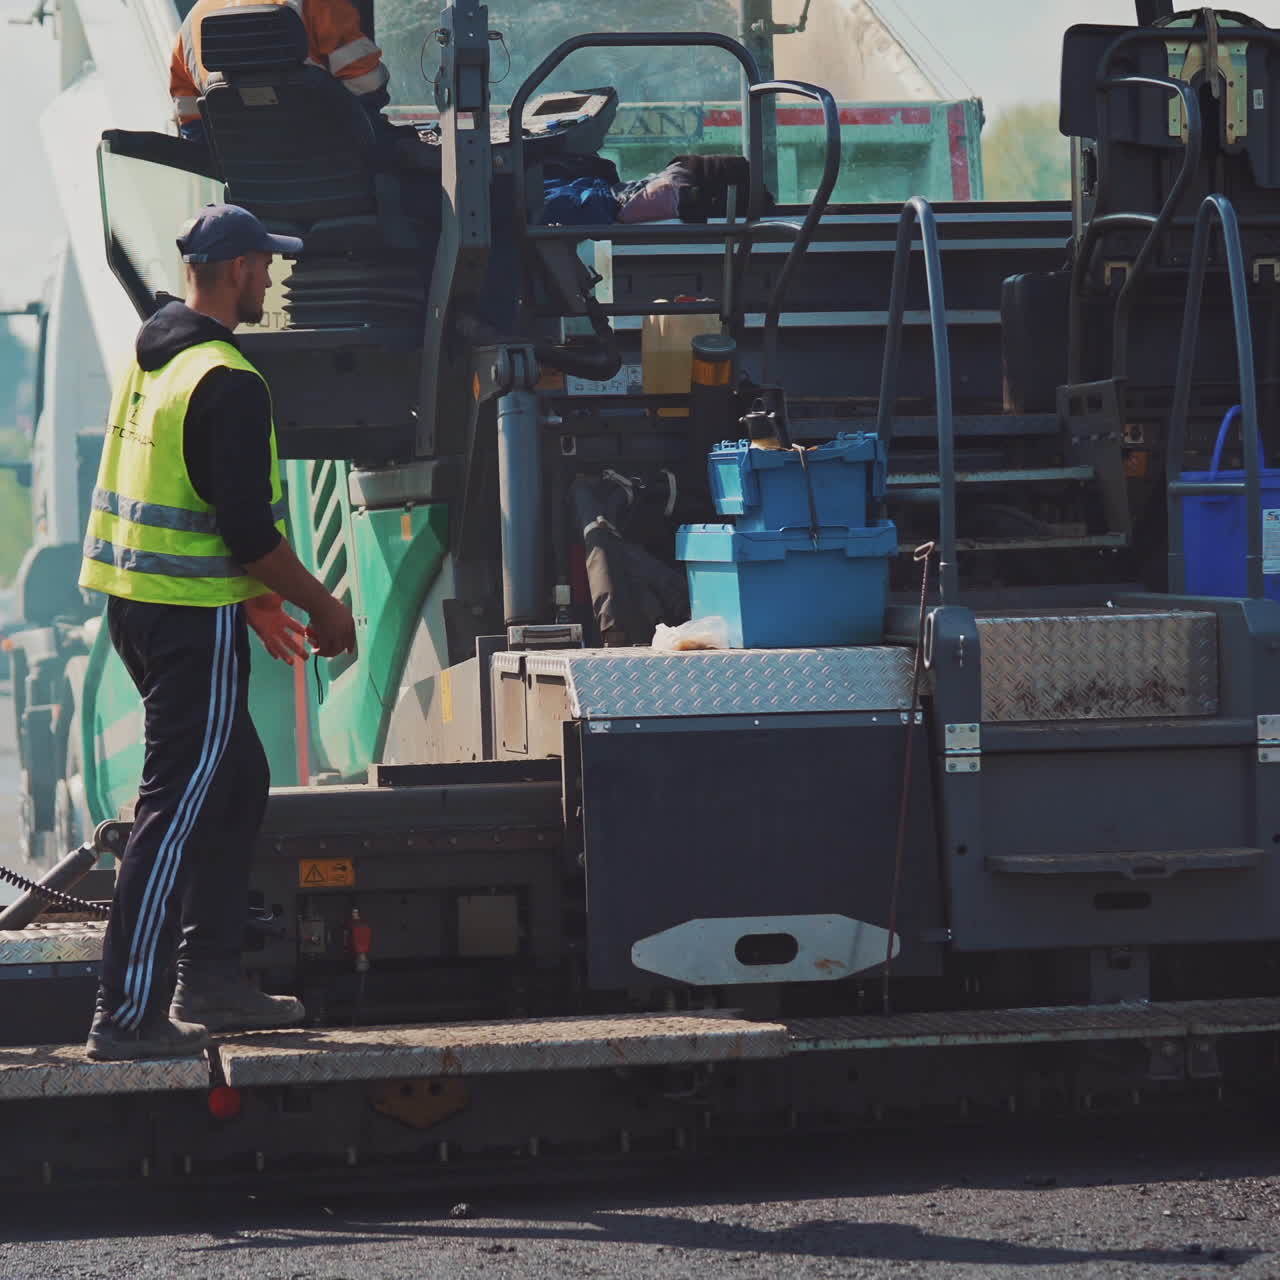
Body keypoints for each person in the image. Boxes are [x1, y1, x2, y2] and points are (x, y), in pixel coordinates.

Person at [80, 203, 357, 1062]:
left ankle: (213, 979)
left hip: (144, 606)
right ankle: (127, 1016)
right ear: (236, 268)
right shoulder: (226, 379)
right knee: (177, 805)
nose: (270, 281)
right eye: (264, 265)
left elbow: (182, 510)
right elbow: (244, 529)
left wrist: (252, 600)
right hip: (186, 625)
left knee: (236, 780)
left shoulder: (154, 355)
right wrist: (321, 601)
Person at [170, 0, 390, 141]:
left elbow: (192, 122)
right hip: (341, 180)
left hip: (251, 195)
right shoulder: (319, 4)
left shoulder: (192, 21)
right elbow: (367, 84)